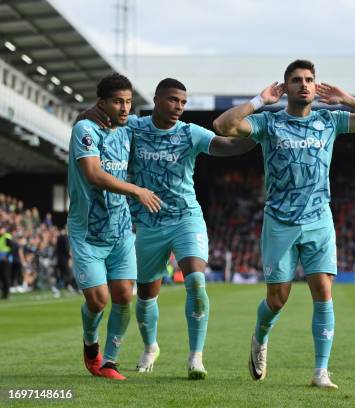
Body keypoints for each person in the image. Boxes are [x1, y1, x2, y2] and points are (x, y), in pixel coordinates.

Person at [213, 59, 355, 388]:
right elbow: (222, 126)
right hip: (279, 221)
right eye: (296, 80)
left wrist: (346, 98)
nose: (304, 85)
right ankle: (260, 337)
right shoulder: (269, 123)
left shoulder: (330, 120)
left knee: (323, 291)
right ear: (286, 87)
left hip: (319, 218)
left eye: (309, 79)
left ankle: (321, 371)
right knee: (278, 299)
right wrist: (258, 101)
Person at [83, 78, 256, 379]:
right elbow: (95, 122)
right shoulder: (134, 127)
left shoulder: (191, 133)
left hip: (185, 218)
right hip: (147, 223)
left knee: (196, 282)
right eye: (174, 100)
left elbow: (228, 146)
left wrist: (260, 134)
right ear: (157, 100)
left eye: (184, 102)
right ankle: (151, 346)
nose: (179, 107)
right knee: (147, 295)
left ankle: (195, 357)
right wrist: (90, 111)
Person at [68, 73, 162, 380]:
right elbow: (93, 174)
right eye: (118, 102)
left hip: (121, 230)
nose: (124, 108)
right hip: (88, 231)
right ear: (102, 103)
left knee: (123, 295)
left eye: (128, 102)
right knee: (98, 299)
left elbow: (159, 122)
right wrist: (136, 190)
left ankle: (109, 362)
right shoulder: (85, 129)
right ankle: (90, 343)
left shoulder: (129, 127)